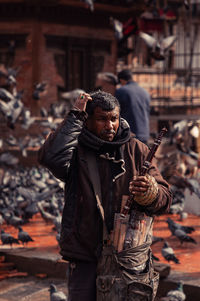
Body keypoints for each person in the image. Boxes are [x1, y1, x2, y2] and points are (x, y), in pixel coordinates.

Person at [38, 90, 172, 301]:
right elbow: (51, 158)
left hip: (126, 257)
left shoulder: (136, 150)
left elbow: (165, 199)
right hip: (85, 253)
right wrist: (75, 116)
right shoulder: (76, 150)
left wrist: (150, 192)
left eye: (114, 119)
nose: (110, 126)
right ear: (88, 120)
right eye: (102, 119)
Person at [115, 68, 151, 144]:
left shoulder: (121, 91)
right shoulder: (145, 92)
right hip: (144, 134)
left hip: (129, 135)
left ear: (121, 80)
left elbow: (116, 113)